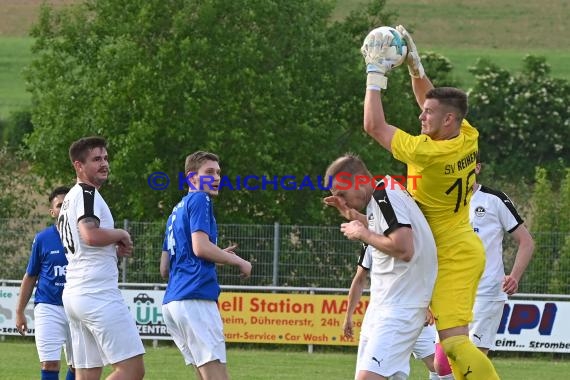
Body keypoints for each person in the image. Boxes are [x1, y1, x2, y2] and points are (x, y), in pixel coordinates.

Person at [360, 25, 500, 379]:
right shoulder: (467, 135)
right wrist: (415, 69)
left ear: (448, 120)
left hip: (454, 255)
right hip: (447, 248)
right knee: (444, 355)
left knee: (454, 345)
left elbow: (374, 126)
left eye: (428, 114)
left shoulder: (427, 153)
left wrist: (375, 73)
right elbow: (433, 100)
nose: (421, 116)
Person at [324, 154, 437, 380]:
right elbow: (383, 228)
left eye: (342, 194)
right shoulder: (380, 197)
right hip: (384, 306)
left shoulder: (386, 196)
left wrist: (362, 233)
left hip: (400, 308)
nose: (341, 200)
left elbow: (405, 248)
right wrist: (351, 215)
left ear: (358, 181)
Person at [434, 156, 535, 378]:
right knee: (441, 364)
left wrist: (514, 276)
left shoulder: (493, 200)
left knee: (469, 362)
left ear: (477, 168)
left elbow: (526, 241)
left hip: (486, 292)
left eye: (465, 165)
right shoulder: (444, 201)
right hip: (453, 293)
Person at [58, 136, 145, 380]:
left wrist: (113, 251)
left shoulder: (69, 200)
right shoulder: (87, 194)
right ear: (79, 166)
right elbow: (89, 235)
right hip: (97, 293)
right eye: (96, 159)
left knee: (87, 374)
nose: (104, 163)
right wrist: (121, 233)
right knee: (132, 370)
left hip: (75, 294)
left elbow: (84, 247)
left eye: (105, 158)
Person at [162, 151, 252, 380]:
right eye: (209, 172)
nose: (216, 177)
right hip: (195, 299)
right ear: (193, 178)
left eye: (218, 172)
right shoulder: (200, 199)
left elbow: (165, 267)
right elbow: (200, 247)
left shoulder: (175, 211)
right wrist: (239, 261)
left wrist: (218, 255)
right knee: (217, 377)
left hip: (173, 302)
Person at [344, 245, 440, 380]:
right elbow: (359, 279)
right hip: (380, 317)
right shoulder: (371, 241)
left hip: (415, 313)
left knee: (440, 365)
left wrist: (427, 304)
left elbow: (429, 272)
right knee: (369, 373)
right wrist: (348, 315)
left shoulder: (419, 235)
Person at [15, 186, 75, 380]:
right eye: (59, 205)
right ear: (52, 212)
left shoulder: (86, 236)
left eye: (67, 204)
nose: (63, 208)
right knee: (49, 363)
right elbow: (30, 276)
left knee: (78, 366)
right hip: (49, 307)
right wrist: (19, 312)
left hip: (77, 307)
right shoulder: (43, 239)